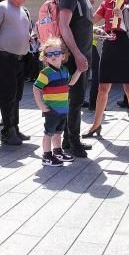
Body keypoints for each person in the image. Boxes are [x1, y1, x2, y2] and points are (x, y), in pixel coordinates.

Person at [84, 0, 129, 144]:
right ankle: (96, 125)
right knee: (103, 88)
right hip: (110, 43)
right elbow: (93, 20)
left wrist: (124, 17)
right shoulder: (107, 1)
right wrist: (90, 21)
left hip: (128, 44)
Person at [58, 0, 99, 158]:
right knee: (74, 101)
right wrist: (77, 54)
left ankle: (69, 139)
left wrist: (98, 32)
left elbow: (81, 24)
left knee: (75, 100)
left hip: (83, 55)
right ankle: (73, 142)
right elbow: (63, 25)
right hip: (75, 58)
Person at [0, 0, 32, 146]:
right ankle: (7, 132)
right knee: (8, 96)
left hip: (20, 59)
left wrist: (29, 39)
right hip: (4, 58)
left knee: (17, 97)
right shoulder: (1, 8)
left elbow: (22, 32)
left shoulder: (23, 11)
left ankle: (15, 128)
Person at [32, 37, 77, 166]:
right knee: (49, 133)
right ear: (45, 58)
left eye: (56, 53)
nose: (53, 56)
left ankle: (57, 152)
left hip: (63, 109)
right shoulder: (46, 73)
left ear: (63, 56)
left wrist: (79, 71)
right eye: (49, 54)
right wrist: (41, 105)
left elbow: (71, 83)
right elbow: (36, 88)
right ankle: (46, 156)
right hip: (51, 110)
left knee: (58, 133)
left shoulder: (64, 71)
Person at [85, 0, 100, 110]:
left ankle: (81, 101)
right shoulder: (86, 9)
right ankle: (93, 103)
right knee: (97, 73)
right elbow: (87, 27)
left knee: (83, 74)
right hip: (89, 47)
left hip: (89, 46)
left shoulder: (85, 8)